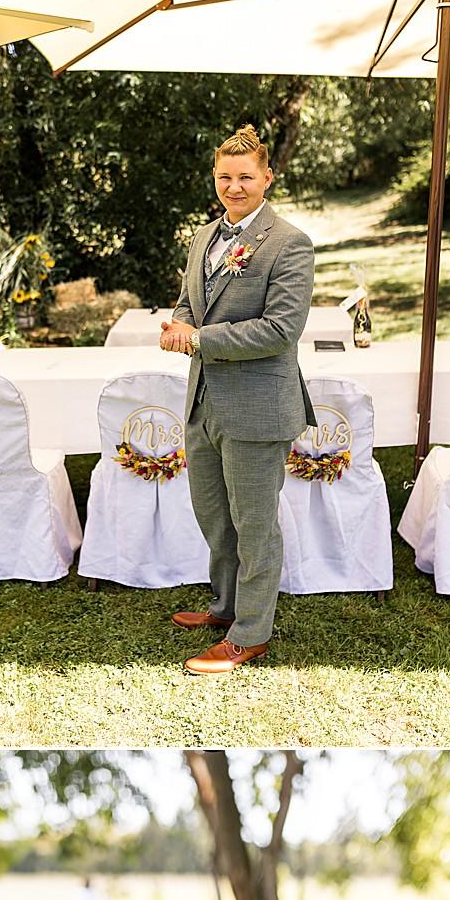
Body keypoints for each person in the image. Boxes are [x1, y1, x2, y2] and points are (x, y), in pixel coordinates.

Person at [161, 125, 317, 676]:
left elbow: (280, 329)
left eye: (245, 177)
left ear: (267, 178)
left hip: (257, 407)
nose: (234, 186)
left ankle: (250, 634)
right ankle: (226, 608)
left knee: (254, 524)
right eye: (225, 177)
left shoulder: (289, 242)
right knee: (214, 515)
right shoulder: (204, 237)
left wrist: (198, 339)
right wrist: (179, 324)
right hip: (203, 403)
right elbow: (187, 304)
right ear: (215, 177)